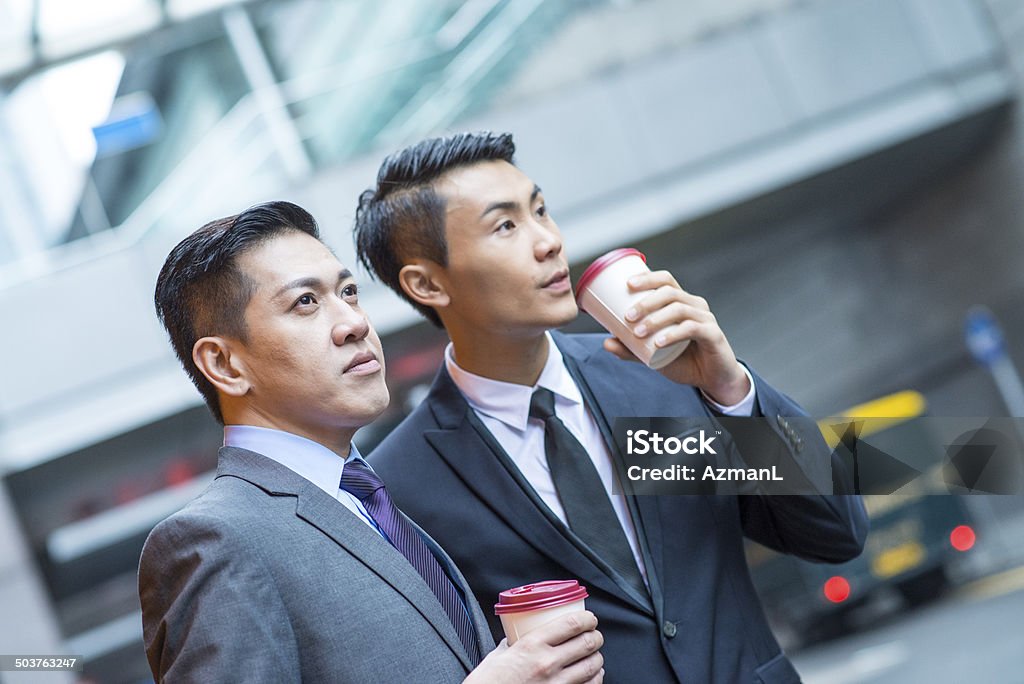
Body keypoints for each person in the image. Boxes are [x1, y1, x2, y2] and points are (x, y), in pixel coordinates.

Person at [354, 133, 870, 683]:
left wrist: (730, 390)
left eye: (541, 210)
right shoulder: (400, 487)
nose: (548, 241)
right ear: (427, 283)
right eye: (505, 225)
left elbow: (836, 533)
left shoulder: (658, 379)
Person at [140, 201, 605, 683]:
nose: (354, 323)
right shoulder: (215, 539)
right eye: (305, 302)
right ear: (225, 365)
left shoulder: (369, 497)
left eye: (349, 292)